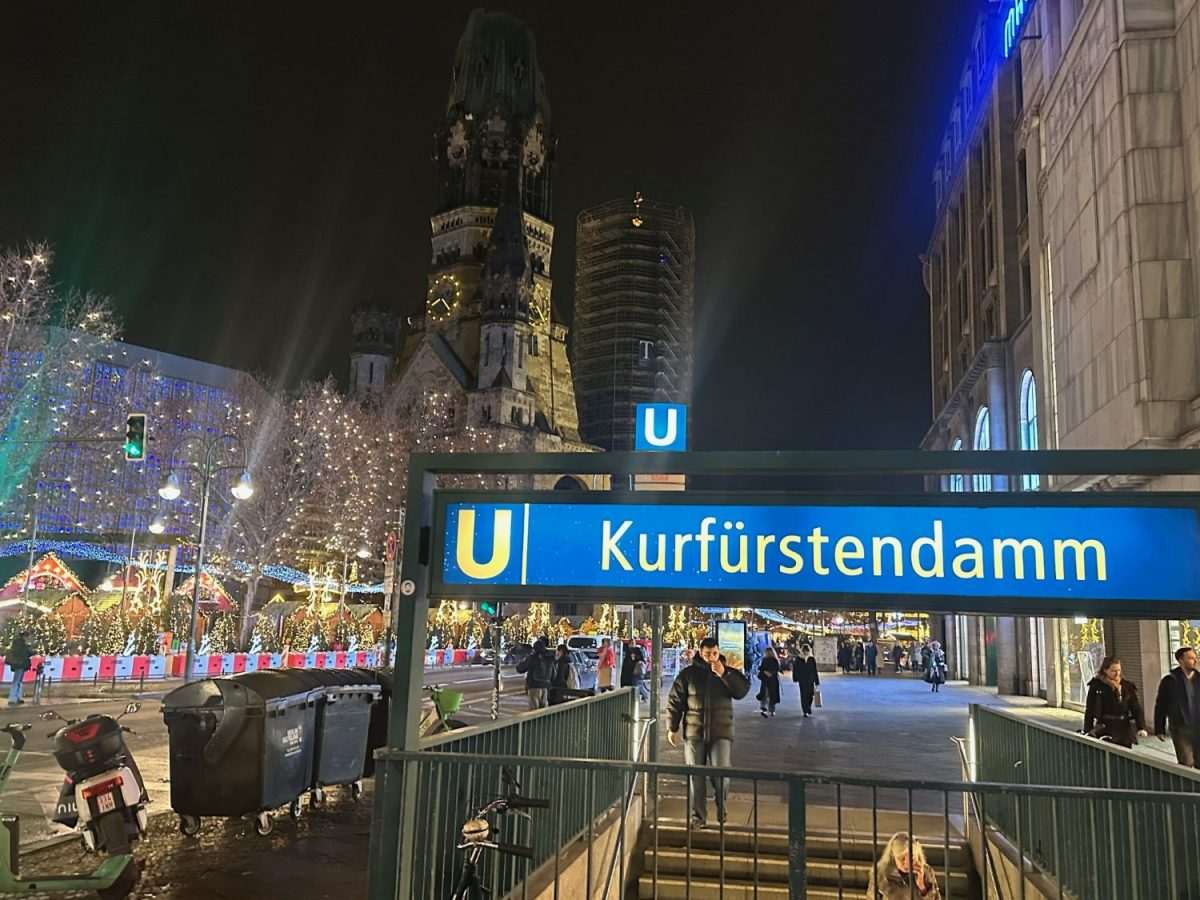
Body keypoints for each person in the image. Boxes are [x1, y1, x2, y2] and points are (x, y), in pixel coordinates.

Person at [667, 637, 750, 828]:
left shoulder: (728, 672)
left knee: (721, 773)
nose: (711, 657)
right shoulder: (688, 675)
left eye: (714, 653)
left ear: (719, 652)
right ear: (700, 653)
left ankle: (722, 806)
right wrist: (672, 726)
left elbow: (741, 691)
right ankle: (698, 817)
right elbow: (675, 700)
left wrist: (724, 674)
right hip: (694, 732)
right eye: (707, 654)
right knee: (696, 776)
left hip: (721, 732)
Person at [1083, 656, 1148, 748]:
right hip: (1105, 727)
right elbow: (1089, 709)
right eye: (1113, 671)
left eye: (1119, 670)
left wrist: (1141, 727)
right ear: (1105, 670)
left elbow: (1135, 707)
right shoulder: (1097, 686)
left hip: (1124, 728)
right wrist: (1088, 729)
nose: (1117, 673)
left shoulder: (1126, 686)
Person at [1154, 646, 1200, 767]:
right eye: (1190, 658)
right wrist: (1159, 728)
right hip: (1180, 728)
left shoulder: (1198, 679)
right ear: (1181, 660)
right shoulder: (1170, 681)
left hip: (1198, 726)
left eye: (1195, 658)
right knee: (1186, 762)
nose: (1195, 660)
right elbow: (1161, 705)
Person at [867, 832, 941, 899]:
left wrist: (922, 887)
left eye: (911, 858)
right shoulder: (880, 872)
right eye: (901, 858)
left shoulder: (926, 871)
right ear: (893, 855)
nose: (906, 863)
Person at [515, 636, 555, 709]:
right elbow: (554, 672)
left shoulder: (532, 657)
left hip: (534, 685)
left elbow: (520, 668)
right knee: (544, 708)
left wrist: (520, 661)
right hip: (546, 686)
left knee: (534, 708)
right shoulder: (550, 657)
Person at [792, 643, 820, 717]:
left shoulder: (811, 659)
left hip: (811, 679)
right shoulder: (798, 659)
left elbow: (815, 670)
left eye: (807, 651)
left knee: (810, 694)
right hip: (802, 679)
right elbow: (795, 669)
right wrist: (795, 678)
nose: (805, 652)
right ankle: (805, 710)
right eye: (804, 651)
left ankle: (808, 707)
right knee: (804, 695)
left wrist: (817, 681)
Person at [5, 632, 32, 706]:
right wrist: (29, 649)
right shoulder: (21, 643)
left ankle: (17, 697)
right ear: (25, 636)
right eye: (28, 637)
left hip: (20, 664)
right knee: (17, 681)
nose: (28, 638)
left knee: (19, 681)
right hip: (20, 664)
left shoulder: (18, 643)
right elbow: (25, 653)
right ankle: (13, 698)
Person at [757, 647, 781, 717]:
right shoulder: (775, 660)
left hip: (765, 680)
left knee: (765, 694)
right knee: (772, 695)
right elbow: (777, 669)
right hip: (773, 680)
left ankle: (763, 708)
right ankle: (772, 710)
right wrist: (771, 673)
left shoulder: (765, 660)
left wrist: (765, 672)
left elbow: (761, 668)